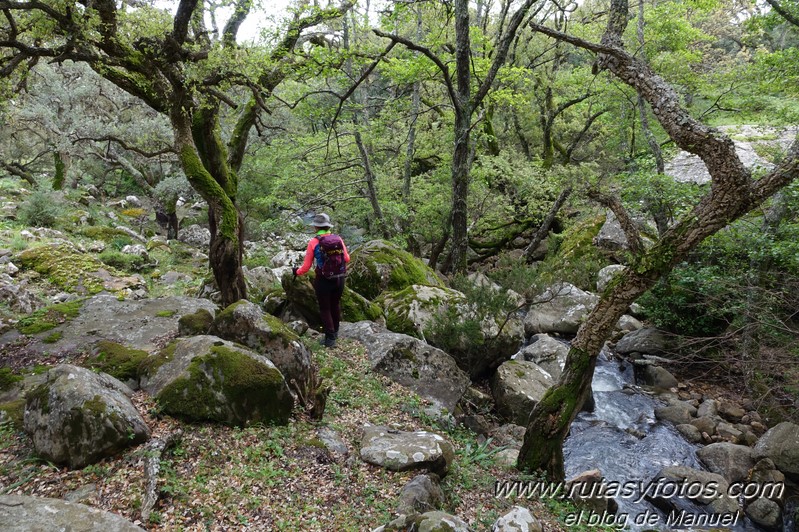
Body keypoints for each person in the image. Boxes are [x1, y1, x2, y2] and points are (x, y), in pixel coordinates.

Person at [292, 213, 350, 348]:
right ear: (328, 226)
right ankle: (335, 333)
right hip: (339, 279)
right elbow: (346, 259)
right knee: (335, 305)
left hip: (323, 280)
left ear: (316, 228)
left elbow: (306, 267)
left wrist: (296, 272)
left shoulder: (314, 242)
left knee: (325, 308)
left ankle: (330, 339)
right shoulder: (338, 239)